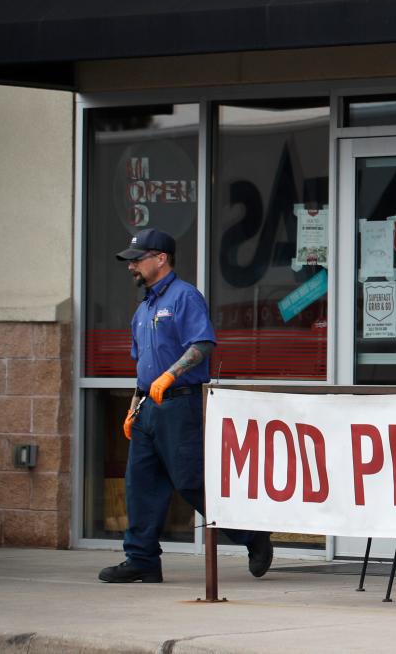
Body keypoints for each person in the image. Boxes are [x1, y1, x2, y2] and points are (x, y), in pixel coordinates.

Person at [99, 228, 272, 583]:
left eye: (137, 260)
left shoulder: (184, 297)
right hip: (150, 406)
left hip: (181, 404)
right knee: (140, 484)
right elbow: (142, 365)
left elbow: (203, 344)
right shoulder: (144, 308)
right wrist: (134, 406)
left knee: (191, 481)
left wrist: (170, 375)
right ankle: (142, 559)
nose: (131, 267)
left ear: (160, 259)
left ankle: (253, 536)